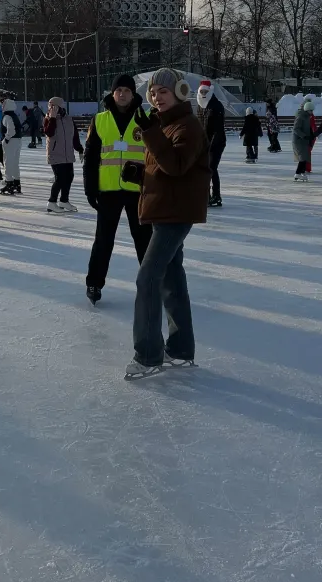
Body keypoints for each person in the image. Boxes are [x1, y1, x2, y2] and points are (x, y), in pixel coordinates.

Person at [125, 68, 210, 379]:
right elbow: (168, 170)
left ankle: (148, 355)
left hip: (175, 215)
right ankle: (180, 350)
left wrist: (151, 134)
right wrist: (140, 174)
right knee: (171, 281)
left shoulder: (188, 127)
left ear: (180, 93)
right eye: (152, 92)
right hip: (166, 210)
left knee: (147, 279)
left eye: (162, 91)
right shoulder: (168, 126)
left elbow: (175, 166)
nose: (155, 97)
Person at [83, 73, 152, 305]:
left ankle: (153, 281)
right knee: (103, 240)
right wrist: (90, 188)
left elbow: (155, 155)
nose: (122, 94)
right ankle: (94, 283)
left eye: (127, 91)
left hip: (138, 189)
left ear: (134, 94)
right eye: (118, 90)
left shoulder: (146, 117)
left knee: (144, 238)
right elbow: (90, 157)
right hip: (109, 190)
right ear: (112, 93)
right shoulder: (100, 120)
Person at [44, 96, 83, 213]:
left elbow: (74, 136)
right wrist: (52, 118)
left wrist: (80, 149)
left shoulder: (69, 119)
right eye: (50, 106)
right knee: (60, 179)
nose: (51, 108)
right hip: (55, 153)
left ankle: (64, 201)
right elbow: (49, 132)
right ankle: (52, 202)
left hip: (67, 154)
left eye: (53, 106)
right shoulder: (48, 119)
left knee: (69, 177)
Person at [196, 79, 226, 206]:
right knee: (205, 169)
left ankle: (215, 196)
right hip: (205, 142)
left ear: (210, 91)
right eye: (201, 91)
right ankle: (207, 196)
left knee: (211, 168)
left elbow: (218, 129)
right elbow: (199, 126)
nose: (203, 93)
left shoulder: (216, 106)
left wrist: (211, 145)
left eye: (205, 91)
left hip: (216, 142)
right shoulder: (200, 106)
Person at [0, 97, 23, 195]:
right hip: (18, 140)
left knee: (8, 162)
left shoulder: (7, 117)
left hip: (11, 141)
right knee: (15, 162)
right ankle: (17, 182)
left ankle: (9, 182)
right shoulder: (14, 116)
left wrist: (6, 139)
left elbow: (11, 130)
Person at [292, 99, 315, 181]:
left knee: (305, 157)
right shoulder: (301, 116)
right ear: (307, 110)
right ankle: (297, 173)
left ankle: (302, 172)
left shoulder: (307, 117)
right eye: (311, 110)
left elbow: (308, 127)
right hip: (299, 141)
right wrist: (304, 136)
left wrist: (311, 134)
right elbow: (296, 129)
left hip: (304, 140)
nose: (312, 112)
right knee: (302, 158)